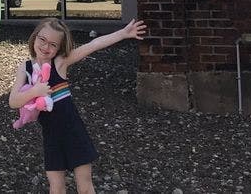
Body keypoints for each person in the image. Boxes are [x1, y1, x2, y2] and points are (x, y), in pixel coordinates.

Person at [9, 17, 148, 194]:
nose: (46, 47)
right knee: (56, 188)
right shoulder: (25, 68)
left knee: (85, 186)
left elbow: (93, 45)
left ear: (59, 48)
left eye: (53, 44)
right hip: (51, 137)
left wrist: (123, 33)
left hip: (75, 133)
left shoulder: (59, 63)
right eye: (42, 40)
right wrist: (35, 92)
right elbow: (13, 102)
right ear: (34, 37)